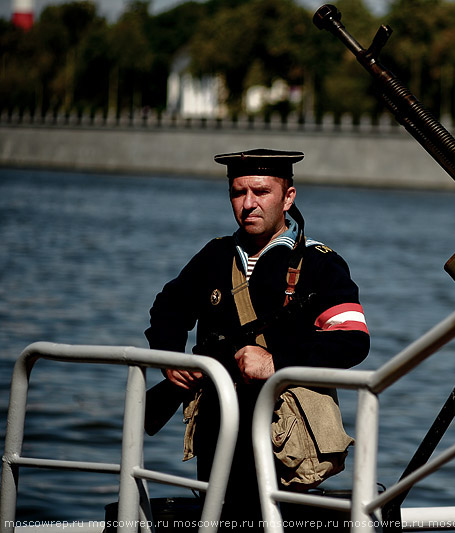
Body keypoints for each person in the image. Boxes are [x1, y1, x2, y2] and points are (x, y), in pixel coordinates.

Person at [144, 148, 370, 525]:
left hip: (283, 430)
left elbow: (352, 339)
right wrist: (170, 358)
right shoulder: (215, 255)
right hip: (216, 424)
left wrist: (276, 362)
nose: (248, 204)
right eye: (238, 192)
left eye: (261, 192)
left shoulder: (319, 263)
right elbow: (168, 308)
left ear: (288, 197)